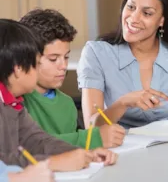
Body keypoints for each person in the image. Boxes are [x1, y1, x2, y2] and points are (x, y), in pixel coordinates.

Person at [77, 0, 168, 129]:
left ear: (162, 20)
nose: (133, 18)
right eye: (131, 7)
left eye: (147, 13)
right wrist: (123, 103)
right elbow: (92, 128)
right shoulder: (96, 53)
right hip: (116, 149)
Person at [0, 19, 117, 170]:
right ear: (18, 70)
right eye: (36, 63)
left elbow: (37, 140)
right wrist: (53, 163)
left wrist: (82, 153)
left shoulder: (14, 103)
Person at [20, 9, 125, 149]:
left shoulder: (67, 104)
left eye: (66, 57)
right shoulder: (15, 101)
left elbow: (70, 148)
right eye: (53, 59)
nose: (63, 66)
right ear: (27, 57)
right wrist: (91, 139)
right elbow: (27, 145)